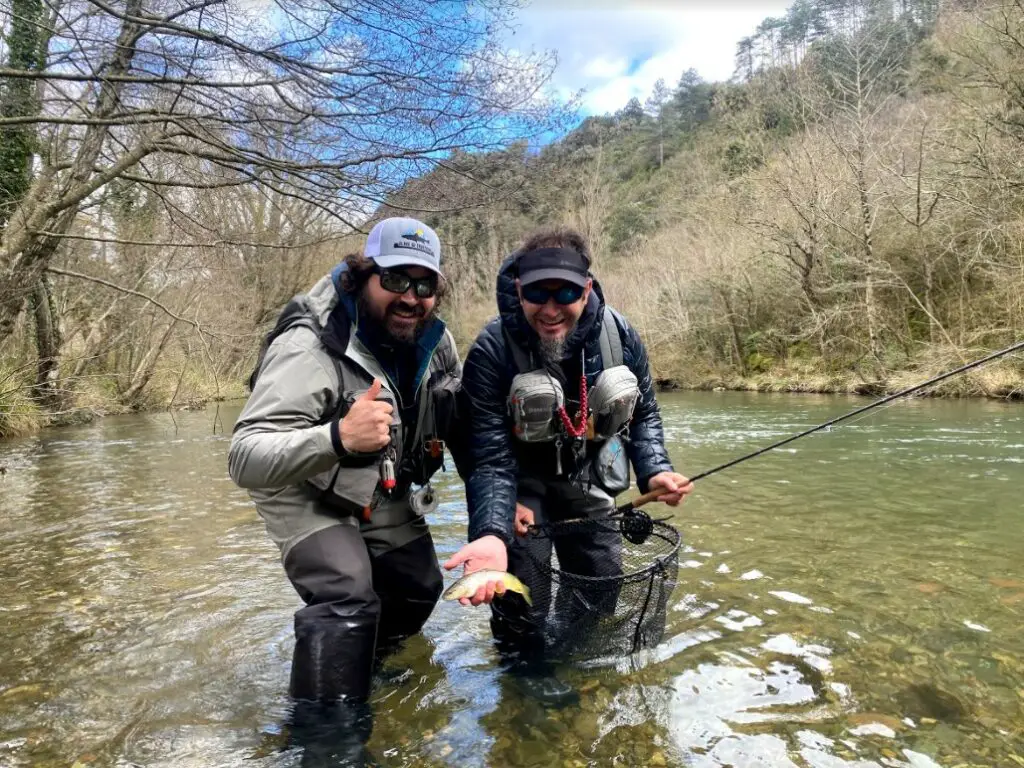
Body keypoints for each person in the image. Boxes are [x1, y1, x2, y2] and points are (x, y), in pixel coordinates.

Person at [227, 217, 469, 762]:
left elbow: (461, 425)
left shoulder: (437, 342)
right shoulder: (309, 345)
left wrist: (497, 521)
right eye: (397, 281)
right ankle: (324, 738)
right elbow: (244, 457)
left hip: (374, 480)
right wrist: (337, 436)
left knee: (419, 584)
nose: (412, 298)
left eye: (425, 285)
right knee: (346, 592)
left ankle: (365, 669)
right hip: (299, 484)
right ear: (365, 276)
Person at [443, 225, 694, 687]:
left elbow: (645, 415)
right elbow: (489, 456)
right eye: (539, 292)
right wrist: (493, 527)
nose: (552, 308)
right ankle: (523, 684)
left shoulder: (620, 335)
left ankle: (576, 667)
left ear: (588, 288)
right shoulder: (493, 350)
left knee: (602, 580)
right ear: (519, 289)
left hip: (587, 478)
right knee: (523, 596)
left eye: (567, 292)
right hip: (521, 487)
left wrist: (654, 470)